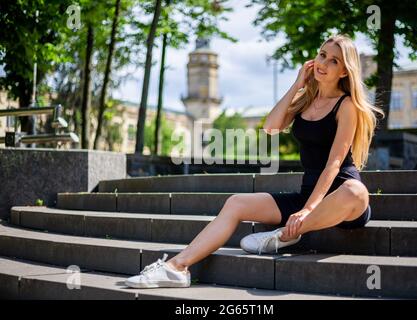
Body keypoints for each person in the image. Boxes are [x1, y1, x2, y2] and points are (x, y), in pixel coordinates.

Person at [125, 33, 385, 289]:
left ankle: (284, 235)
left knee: (356, 191)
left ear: (344, 71)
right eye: (322, 55)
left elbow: (335, 162)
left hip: (342, 198)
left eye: (334, 61)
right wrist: (297, 86)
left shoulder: (347, 105)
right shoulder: (306, 100)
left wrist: (306, 211)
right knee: (235, 202)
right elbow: (271, 127)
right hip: (308, 195)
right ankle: (176, 268)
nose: (323, 63)